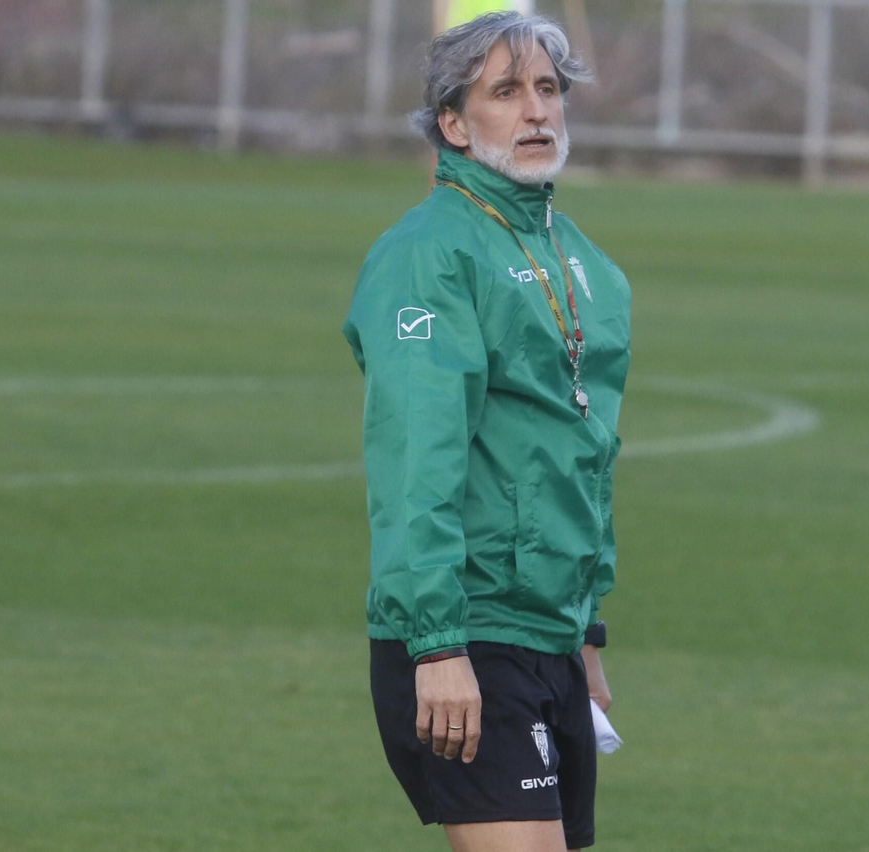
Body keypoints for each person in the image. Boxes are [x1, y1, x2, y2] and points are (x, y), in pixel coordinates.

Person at [343, 11, 627, 852]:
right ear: (454, 126)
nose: (537, 111)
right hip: (463, 632)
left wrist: (585, 631)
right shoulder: (429, 255)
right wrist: (435, 646)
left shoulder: (583, 261)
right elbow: (416, 459)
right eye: (505, 92)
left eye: (547, 89)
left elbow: (586, 460)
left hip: (548, 633)